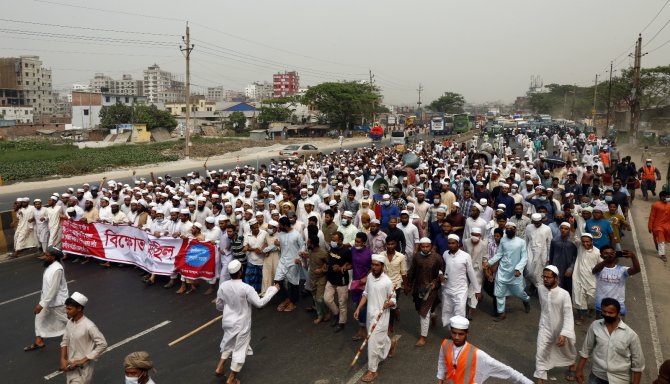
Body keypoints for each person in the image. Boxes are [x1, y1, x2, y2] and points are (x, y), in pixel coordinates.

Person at [215, 260, 280, 383]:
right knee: (240, 349)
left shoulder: (223, 286)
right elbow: (259, 303)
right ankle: (232, 378)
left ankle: (220, 367)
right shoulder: (246, 288)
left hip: (228, 322)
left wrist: (229, 306)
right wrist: (273, 290)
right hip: (241, 324)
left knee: (228, 343)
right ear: (241, 271)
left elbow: (219, 305)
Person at [436, 315, 533, 384]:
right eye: (454, 333)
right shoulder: (445, 344)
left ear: (467, 333)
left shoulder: (476, 353)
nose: (456, 337)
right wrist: (440, 378)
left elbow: (505, 369)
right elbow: (441, 362)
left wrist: (526, 382)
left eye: (461, 334)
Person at [575, 298, 645, 384]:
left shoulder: (631, 335)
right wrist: (579, 370)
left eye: (611, 313)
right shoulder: (595, 326)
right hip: (597, 376)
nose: (607, 314)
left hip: (620, 380)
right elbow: (586, 349)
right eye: (604, 311)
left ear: (618, 314)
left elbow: (638, 364)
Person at [353, 253, 398, 383]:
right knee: (378, 340)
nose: (374, 267)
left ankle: (372, 371)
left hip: (382, 317)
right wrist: (358, 308)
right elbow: (366, 294)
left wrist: (389, 303)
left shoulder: (388, 282)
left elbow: (393, 299)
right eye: (372, 265)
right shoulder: (370, 277)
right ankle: (390, 344)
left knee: (372, 343)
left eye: (377, 265)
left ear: (382, 266)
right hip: (370, 315)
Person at [534, 266, 577, 383]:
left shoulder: (564, 294)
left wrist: (564, 333)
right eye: (544, 277)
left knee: (567, 350)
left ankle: (572, 363)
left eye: (549, 277)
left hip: (561, 328)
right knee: (541, 351)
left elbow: (568, 315)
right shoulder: (540, 289)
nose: (546, 279)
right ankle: (540, 378)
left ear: (556, 278)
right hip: (545, 327)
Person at [24, 246, 69, 352]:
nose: (44, 257)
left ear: (53, 257)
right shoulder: (50, 266)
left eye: (46, 255)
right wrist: (43, 302)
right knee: (39, 318)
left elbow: (53, 290)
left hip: (57, 303)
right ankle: (39, 341)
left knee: (69, 323)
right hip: (47, 301)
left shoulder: (57, 269)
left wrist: (41, 304)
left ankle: (84, 335)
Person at [485, 222, 531, 321]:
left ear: (515, 229)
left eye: (511, 228)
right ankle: (501, 313)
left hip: (515, 273)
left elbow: (524, 258)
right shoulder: (503, 240)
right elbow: (499, 254)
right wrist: (489, 263)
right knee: (499, 294)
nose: (509, 229)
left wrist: (518, 269)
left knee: (519, 292)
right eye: (507, 228)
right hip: (502, 271)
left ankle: (526, 300)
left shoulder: (521, 242)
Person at [60, 292, 108, 384]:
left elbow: (103, 344)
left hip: (82, 371)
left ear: (79, 308)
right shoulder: (70, 322)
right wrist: (63, 359)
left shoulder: (89, 326)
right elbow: (64, 341)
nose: (66, 311)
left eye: (69, 308)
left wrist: (83, 360)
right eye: (66, 308)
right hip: (71, 368)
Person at [407, 237, 444, 347]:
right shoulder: (417, 256)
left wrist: (435, 283)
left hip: (431, 289)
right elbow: (413, 271)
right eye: (423, 246)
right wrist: (408, 284)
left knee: (423, 312)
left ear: (431, 246)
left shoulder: (437, 258)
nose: (425, 248)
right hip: (419, 288)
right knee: (420, 309)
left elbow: (442, 272)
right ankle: (433, 315)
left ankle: (423, 337)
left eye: (427, 246)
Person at [440, 234, 481, 328]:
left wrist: (477, 290)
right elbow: (441, 267)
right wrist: (440, 273)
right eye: (449, 243)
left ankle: (459, 330)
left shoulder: (465, 256)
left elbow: (471, 273)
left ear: (458, 244)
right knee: (447, 311)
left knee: (460, 312)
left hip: (461, 289)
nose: (451, 245)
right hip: (447, 288)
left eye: (453, 243)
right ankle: (451, 331)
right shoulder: (445, 254)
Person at [592, 247, 640, 318]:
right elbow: (594, 270)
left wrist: (633, 257)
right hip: (601, 307)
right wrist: (606, 261)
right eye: (606, 253)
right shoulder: (599, 268)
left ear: (615, 255)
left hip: (618, 309)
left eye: (611, 253)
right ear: (601, 256)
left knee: (618, 329)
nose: (609, 255)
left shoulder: (622, 270)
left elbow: (637, 270)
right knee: (600, 329)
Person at [274, 216, 305, 312]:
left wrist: (299, 258)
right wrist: (277, 244)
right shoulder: (281, 234)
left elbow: (302, 246)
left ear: (285, 226)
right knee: (277, 280)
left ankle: (293, 302)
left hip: (293, 262)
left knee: (293, 283)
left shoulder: (296, 234)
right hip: (283, 261)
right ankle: (286, 299)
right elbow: (282, 245)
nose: (279, 227)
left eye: (280, 225)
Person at [573, 233, 601, 325]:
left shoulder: (597, 252)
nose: (585, 244)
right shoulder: (580, 247)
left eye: (587, 242)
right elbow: (574, 236)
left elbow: (602, 265)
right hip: (579, 278)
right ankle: (582, 317)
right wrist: (573, 224)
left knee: (591, 297)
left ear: (592, 241)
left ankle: (591, 308)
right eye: (583, 242)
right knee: (580, 297)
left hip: (591, 279)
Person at [648, 190, 670, 262]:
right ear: (661, 197)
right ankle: (662, 254)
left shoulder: (669, 205)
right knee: (661, 240)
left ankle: (658, 247)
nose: (667, 198)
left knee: (663, 240)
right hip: (658, 226)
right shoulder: (655, 205)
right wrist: (650, 226)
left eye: (668, 197)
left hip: (667, 226)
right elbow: (652, 216)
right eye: (666, 197)